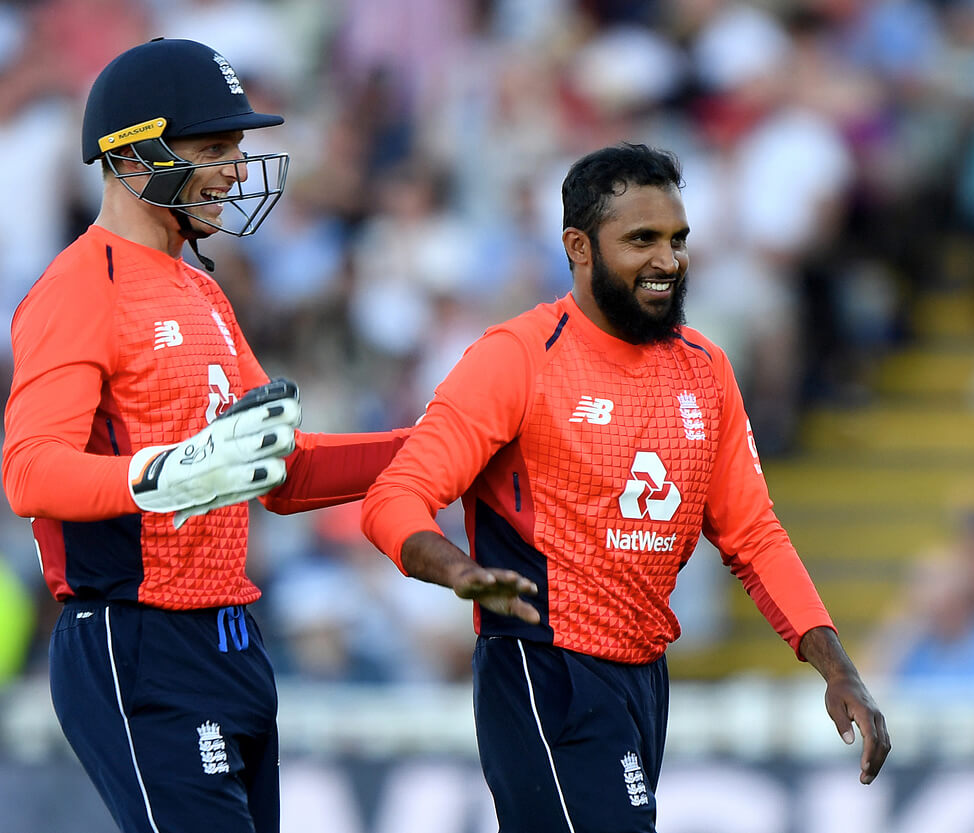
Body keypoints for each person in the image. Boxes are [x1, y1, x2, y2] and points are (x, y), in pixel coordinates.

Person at [360, 142, 890, 830]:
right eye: (641, 239)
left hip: (642, 673)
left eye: (677, 239)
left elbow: (753, 533)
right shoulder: (517, 356)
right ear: (578, 247)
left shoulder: (706, 369)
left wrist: (835, 665)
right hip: (543, 664)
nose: (667, 261)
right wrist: (456, 569)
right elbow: (392, 498)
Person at [2, 38, 408, 833]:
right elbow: (28, 472)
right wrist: (161, 474)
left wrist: (434, 445)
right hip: (137, 639)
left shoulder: (201, 289)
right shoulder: (80, 286)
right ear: (134, 154)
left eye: (236, 147)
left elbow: (277, 474)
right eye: (212, 147)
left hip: (231, 637)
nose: (233, 166)